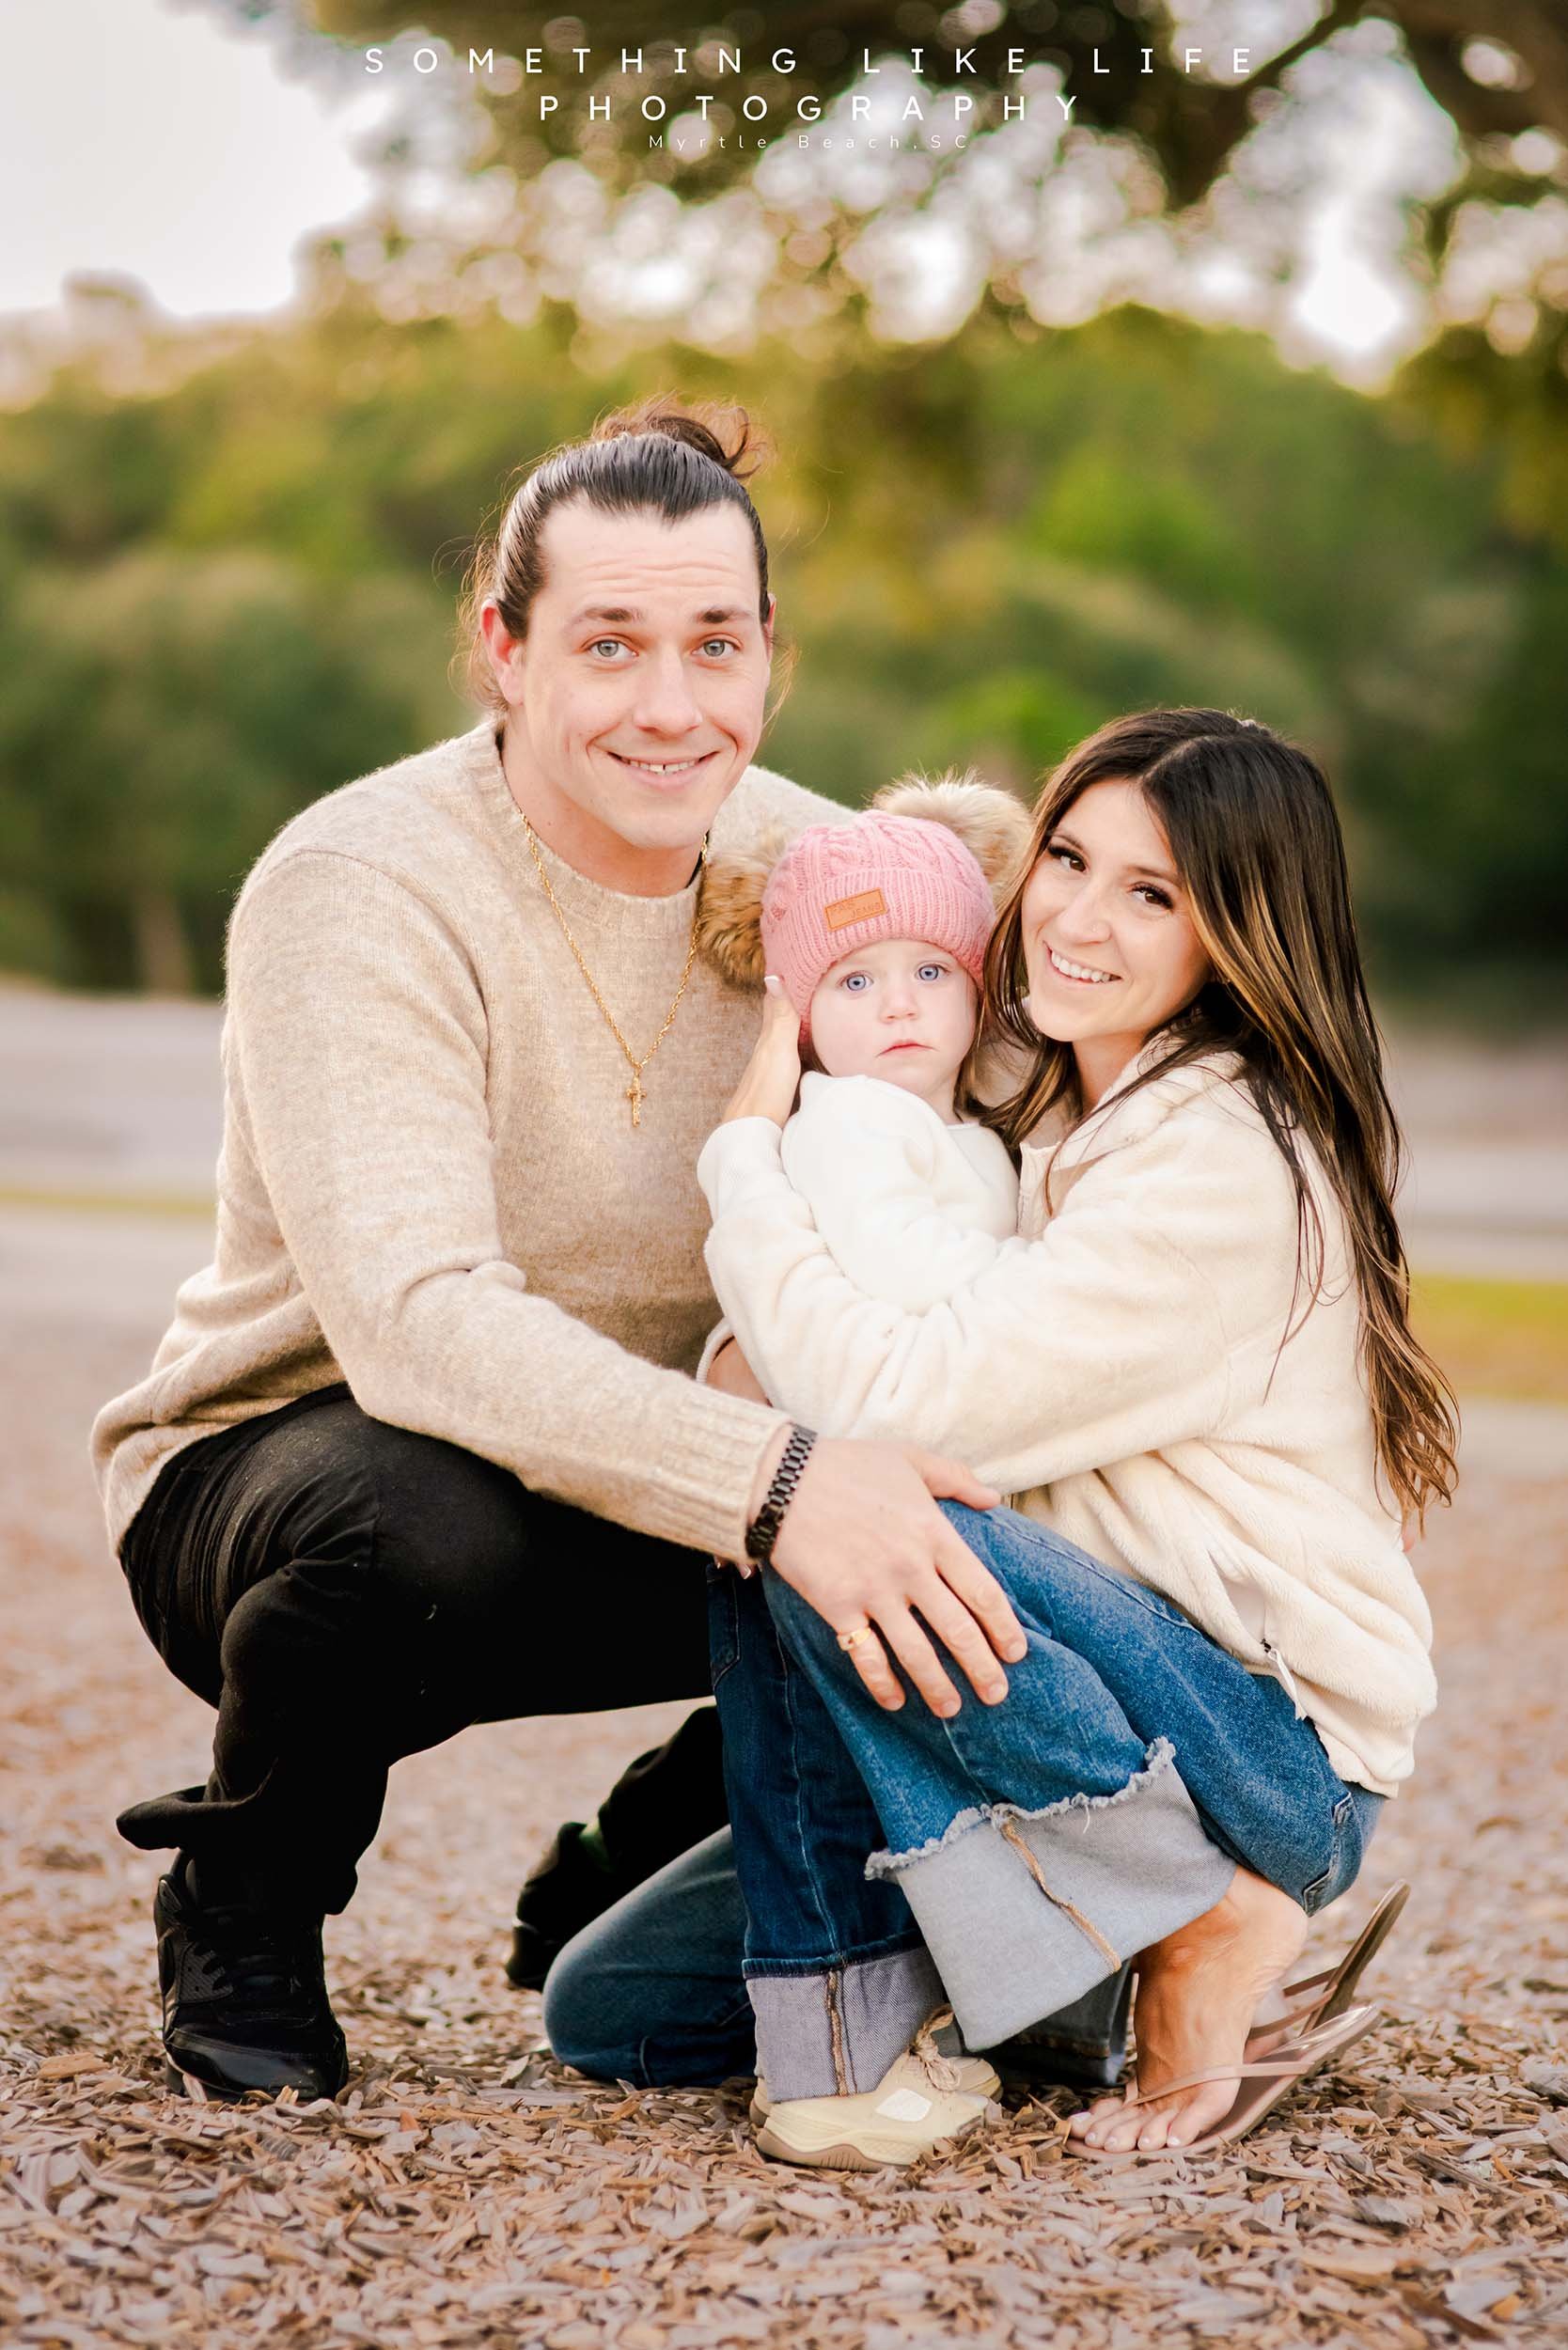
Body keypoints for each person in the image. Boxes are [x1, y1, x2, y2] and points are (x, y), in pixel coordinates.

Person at [90, 403, 1026, 2104]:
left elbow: (1028, 1114)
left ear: (771, 662)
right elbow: (417, 1327)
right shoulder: (360, 884)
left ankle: (647, 1844)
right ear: (501, 651)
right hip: (295, 1470)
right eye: (608, 644)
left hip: (676, 1473)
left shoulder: (826, 883)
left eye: (712, 645)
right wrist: (785, 1477)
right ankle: (245, 1900)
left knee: (986, 1489)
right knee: (418, 1512)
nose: (669, 708)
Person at [543, 708, 1457, 2167]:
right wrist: (749, 1373)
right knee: (617, 2016)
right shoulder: (1040, 1113)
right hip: (1059, 1700)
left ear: (1238, 935)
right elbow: (813, 1365)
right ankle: (1080, 1978)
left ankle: (1205, 1917)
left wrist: (743, 1156)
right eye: (1070, 861)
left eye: (1152, 894)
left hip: (1254, 1749)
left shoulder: (1222, 1164)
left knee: (827, 1511)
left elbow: (884, 1411)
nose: (1082, 921)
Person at [693, 775, 1032, 1339]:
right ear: (801, 1018)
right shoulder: (849, 1117)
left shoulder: (968, 1119)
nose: (899, 1006)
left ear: (978, 990)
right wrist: (1057, 1276)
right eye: (855, 982)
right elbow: (907, 1273)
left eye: (931, 972)